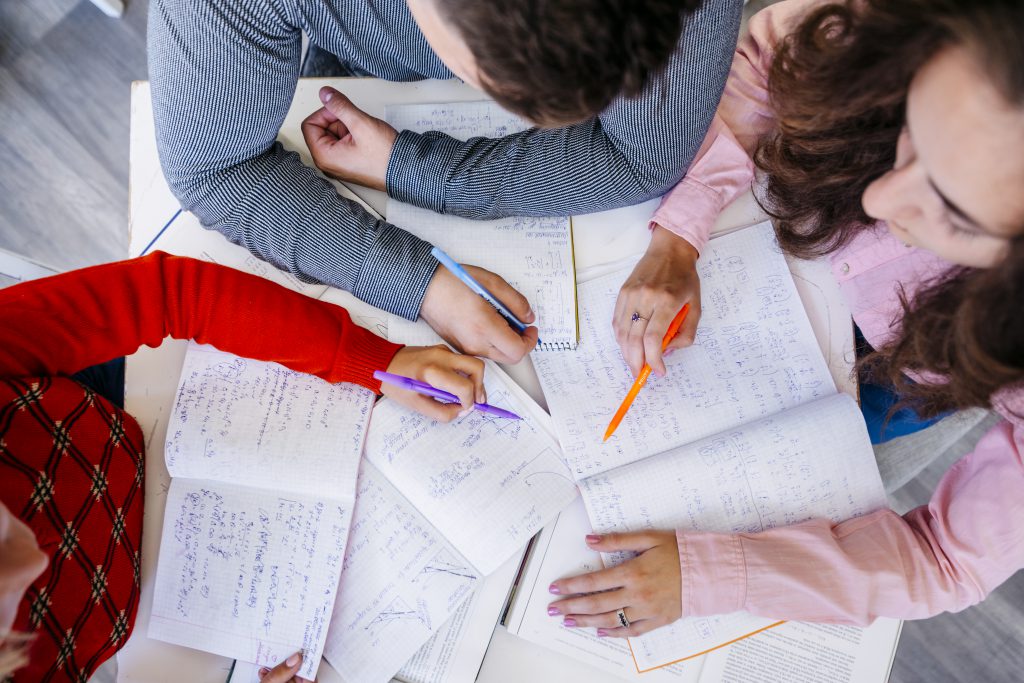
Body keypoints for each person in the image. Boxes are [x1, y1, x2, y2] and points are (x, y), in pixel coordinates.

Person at [548, 0, 1024, 636]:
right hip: (771, 233)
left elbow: (946, 561)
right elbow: (772, 63)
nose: (882, 199)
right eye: (915, 129)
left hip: (904, 364)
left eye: (955, 213)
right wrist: (681, 233)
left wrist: (714, 576)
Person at [148, 0, 743, 366]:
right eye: (480, 75)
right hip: (337, 66)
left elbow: (641, 156)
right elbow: (215, 170)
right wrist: (419, 282)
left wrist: (411, 168)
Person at [0, 253, 485, 681]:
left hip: (109, 408)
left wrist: (374, 360)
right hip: (169, 621)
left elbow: (170, 293)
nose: (37, 560)